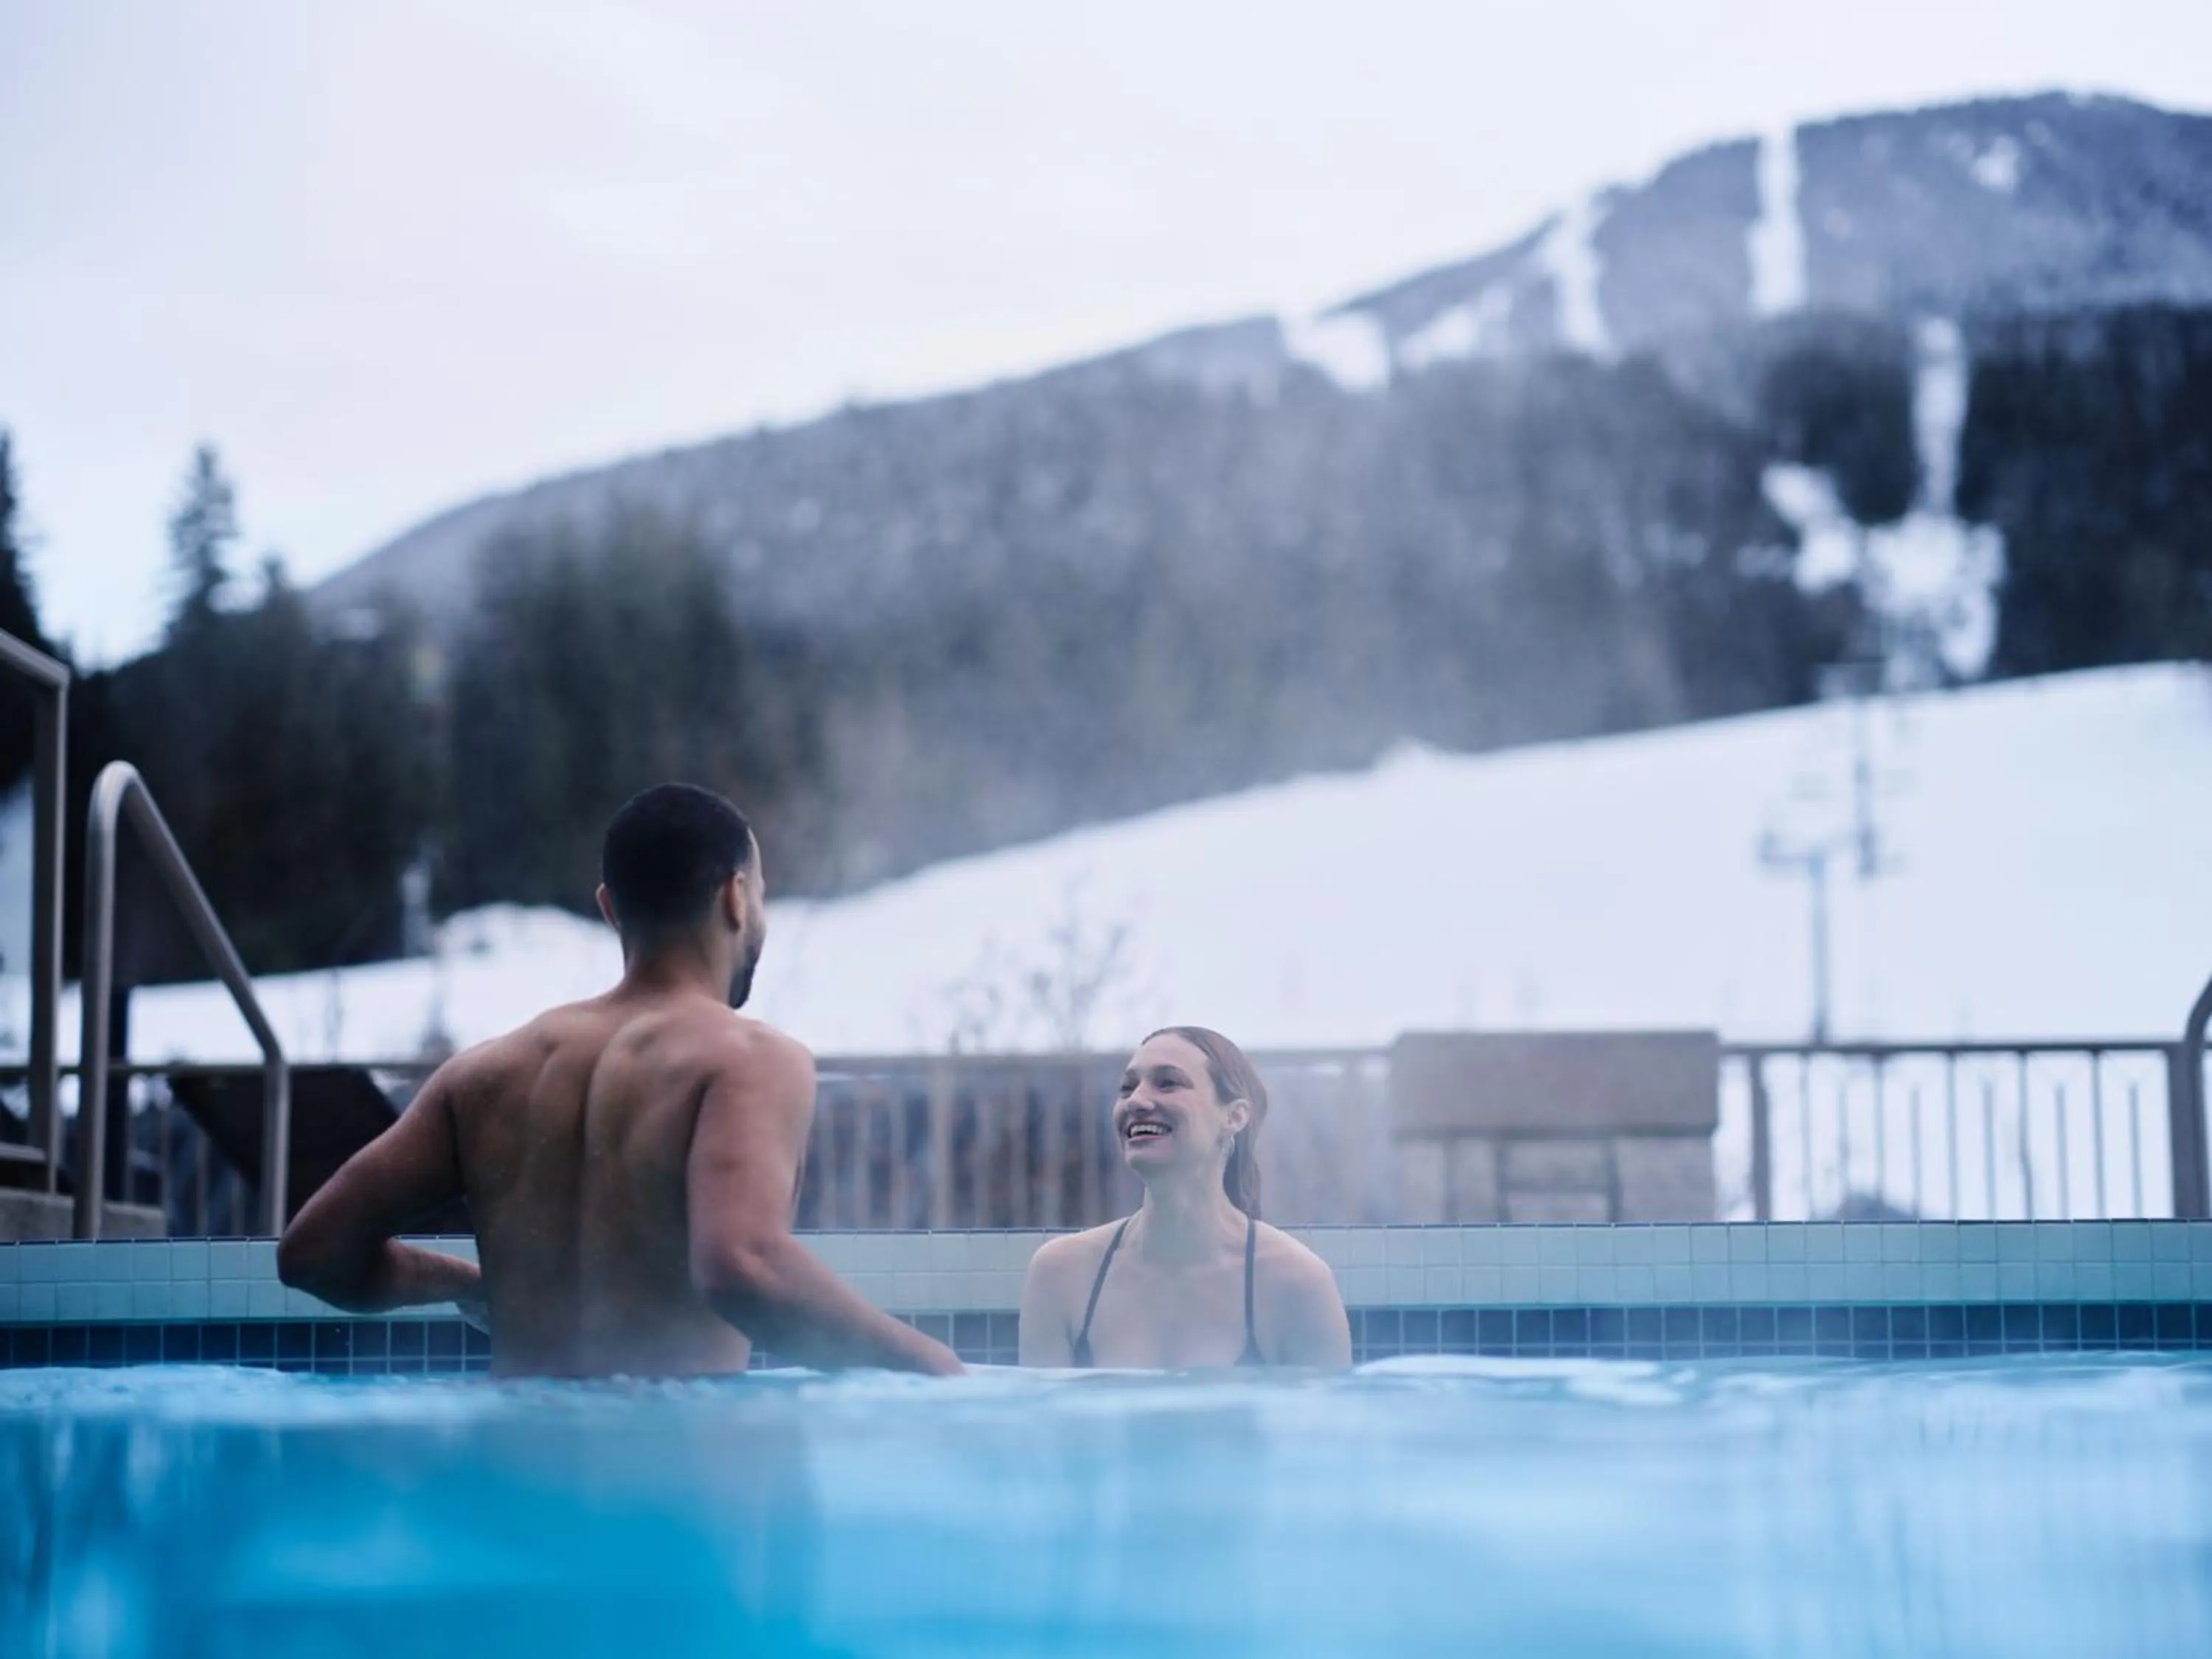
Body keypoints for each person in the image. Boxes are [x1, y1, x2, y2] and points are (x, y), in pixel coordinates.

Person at [278, 782, 962, 1379]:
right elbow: (742, 1266)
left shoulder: (485, 1073)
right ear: (736, 897)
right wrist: (933, 1366)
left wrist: (472, 1285)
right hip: (669, 1471)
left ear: (610, 908)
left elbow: (312, 1253)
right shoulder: (747, 1059)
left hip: (512, 1473)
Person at [1018, 1026, 1351, 1368]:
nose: (1136, 1100)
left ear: (1234, 1116)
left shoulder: (1294, 1283)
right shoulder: (1063, 1274)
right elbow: (1037, 1420)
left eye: (1168, 1082)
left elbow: (1322, 1421)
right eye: (1127, 1088)